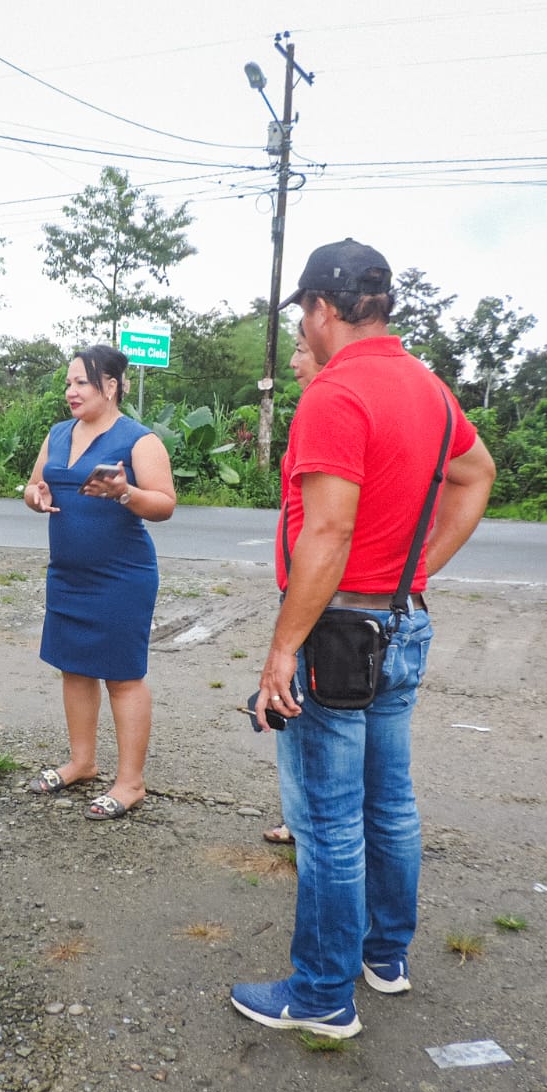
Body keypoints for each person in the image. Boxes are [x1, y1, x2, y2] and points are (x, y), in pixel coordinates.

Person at [231, 239, 495, 1040]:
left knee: (328, 822)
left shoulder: (336, 393)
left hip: (338, 633)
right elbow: (477, 473)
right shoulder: (429, 387)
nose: (305, 332)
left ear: (320, 308)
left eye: (304, 316)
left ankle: (321, 994)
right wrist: (418, 569)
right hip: (403, 621)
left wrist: (284, 650)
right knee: (390, 803)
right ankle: (386, 957)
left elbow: (329, 530)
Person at [23, 345, 176, 820]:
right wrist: (35, 496)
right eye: (68, 383)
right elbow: (34, 485)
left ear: (110, 386)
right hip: (67, 574)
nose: (71, 392)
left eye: (81, 383)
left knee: (123, 677)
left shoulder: (139, 440)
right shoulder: (58, 433)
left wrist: (124, 492)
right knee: (74, 668)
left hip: (120, 577)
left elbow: (165, 504)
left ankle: (131, 782)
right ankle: (82, 762)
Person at [261, 322, 321, 848]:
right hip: (316, 590)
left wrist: (284, 646)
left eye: (300, 349)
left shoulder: (331, 407)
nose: (293, 362)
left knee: (300, 715)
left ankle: (308, 826)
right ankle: (304, 820)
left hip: (318, 597)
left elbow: (330, 529)